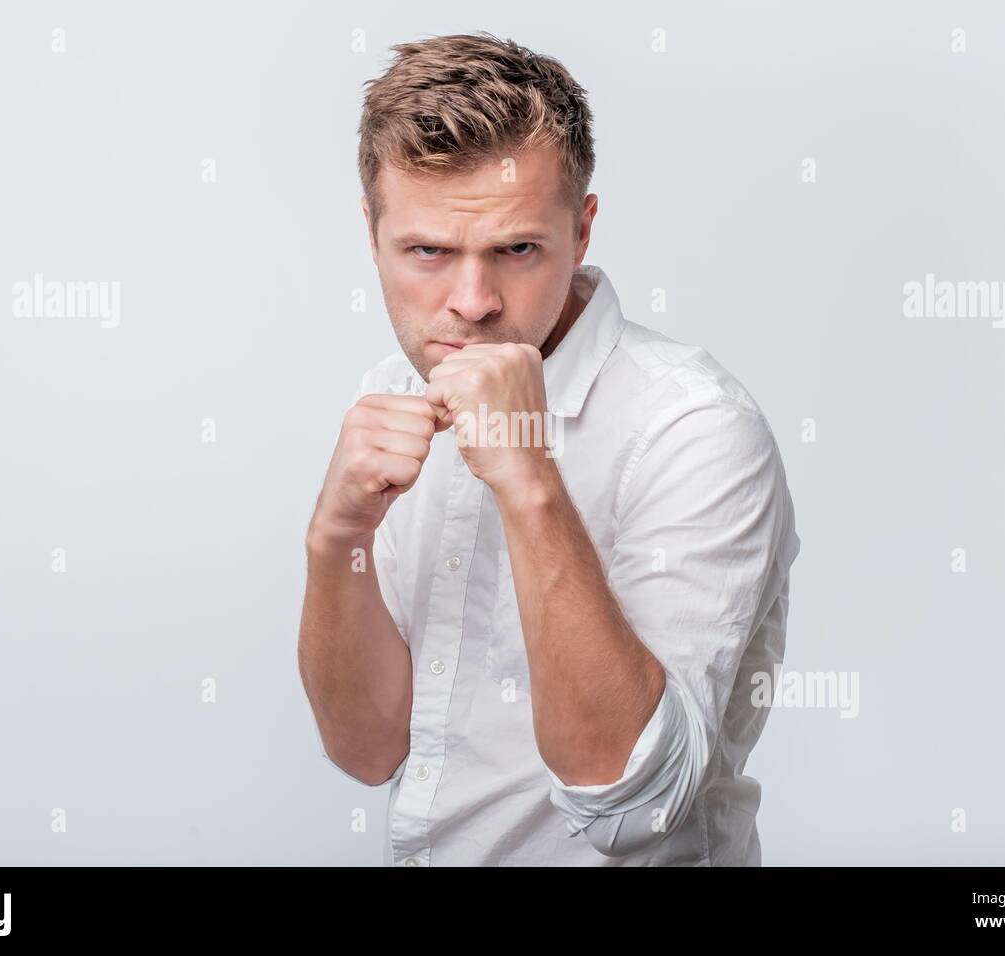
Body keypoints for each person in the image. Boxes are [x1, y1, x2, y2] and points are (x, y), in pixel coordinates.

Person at [298, 32, 800, 866]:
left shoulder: (695, 426)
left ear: (583, 229)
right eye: (427, 251)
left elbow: (629, 801)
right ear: (371, 233)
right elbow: (367, 750)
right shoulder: (391, 386)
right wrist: (333, 541)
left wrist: (527, 476)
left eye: (517, 250)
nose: (472, 303)